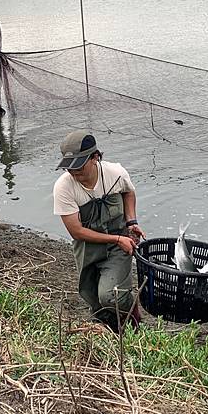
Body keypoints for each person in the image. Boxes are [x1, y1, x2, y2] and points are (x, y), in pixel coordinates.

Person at [53, 130, 145, 332]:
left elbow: (128, 191)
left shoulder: (116, 173)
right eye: (69, 167)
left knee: (111, 296)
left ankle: (133, 320)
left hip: (117, 245)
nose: (73, 172)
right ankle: (112, 329)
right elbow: (76, 232)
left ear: (95, 157)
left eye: (78, 166)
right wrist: (116, 237)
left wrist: (131, 222)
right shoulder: (63, 187)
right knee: (93, 298)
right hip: (87, 247)